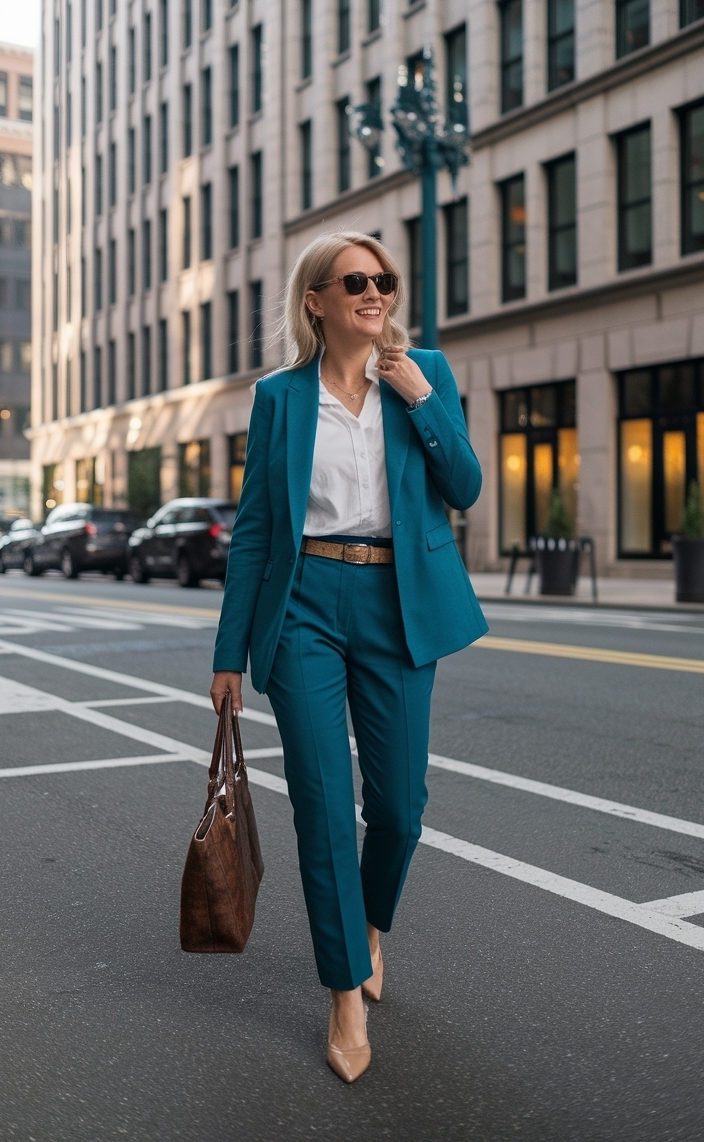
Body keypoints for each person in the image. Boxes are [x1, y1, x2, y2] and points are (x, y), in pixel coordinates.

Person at [210, 231, 487, 1082]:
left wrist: (419, 396)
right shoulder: (280, 398)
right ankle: (341, 994)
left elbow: (466, 486)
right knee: (324, 806)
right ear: (316, 301)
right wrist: (229, 652)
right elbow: (256, 528)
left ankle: (371, 923)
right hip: (303, 608)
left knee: (400, 806)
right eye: (356, 281)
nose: (376, 294)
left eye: (386, 281)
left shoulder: (423, 371)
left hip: (399, 601)